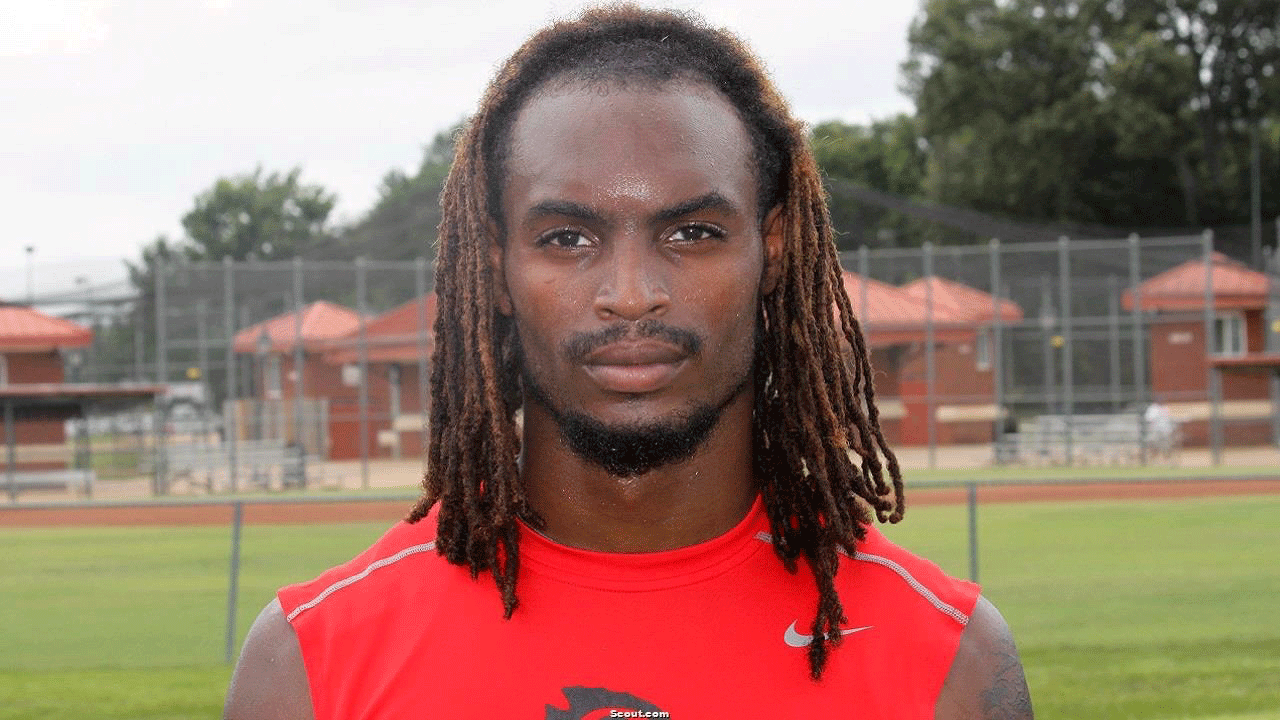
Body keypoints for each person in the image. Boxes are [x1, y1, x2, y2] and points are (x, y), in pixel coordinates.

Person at [224, 6, 1033, 718]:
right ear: (497, 267)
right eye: (567, 238)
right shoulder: (310, 668)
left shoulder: (951, 666)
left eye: (692, 233)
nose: (631, 293)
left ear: (774, 249)